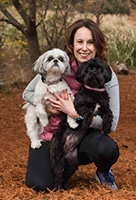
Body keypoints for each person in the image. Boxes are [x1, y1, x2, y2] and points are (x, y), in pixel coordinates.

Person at [22, 19, 120, 192]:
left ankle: (103, 171)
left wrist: (76, 114)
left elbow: (111, 124)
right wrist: (48, 108)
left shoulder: (107, 74)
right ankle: (57, 166)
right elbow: (27, 93)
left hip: (84, 135)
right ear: (72, 44)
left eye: (90, 42)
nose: (84, 48)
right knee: (40, 185)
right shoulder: (60, 65)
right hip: (52, 134)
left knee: (107, 148)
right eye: (79, 42)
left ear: (97, 45)